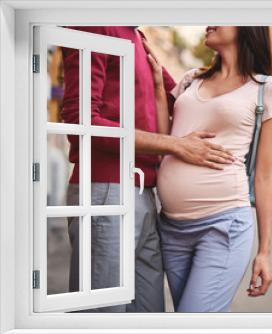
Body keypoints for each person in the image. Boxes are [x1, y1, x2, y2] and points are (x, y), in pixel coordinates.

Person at [60, 26, 236, 313]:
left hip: (145, 193)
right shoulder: (96, 22)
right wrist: (174, 145)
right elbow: (81, 120)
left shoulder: (138, 38)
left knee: (148, 313)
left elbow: (183, 98)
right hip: (108, 188)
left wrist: (259, 99)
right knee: (101, 315)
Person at [149, 26, 272, 312]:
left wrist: (264, 252)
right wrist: (159, 93)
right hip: (172, 228)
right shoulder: (190, 80)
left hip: (223, 226)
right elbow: (168, 141)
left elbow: (265, 174)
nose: (210, 22)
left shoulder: (267, 89)